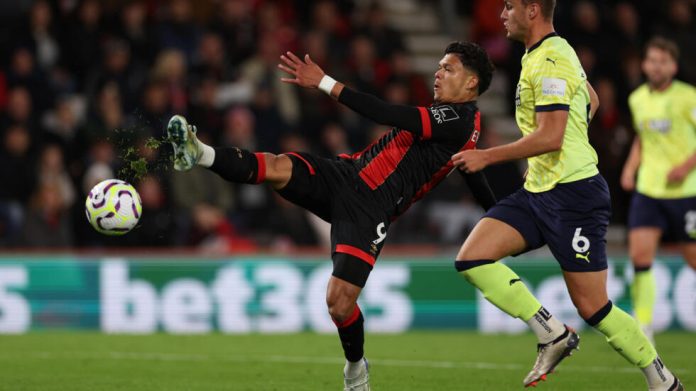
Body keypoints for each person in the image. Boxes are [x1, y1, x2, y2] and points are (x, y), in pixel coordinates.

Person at [167, 42, 496, 391]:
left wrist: (325, 82)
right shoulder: (459, 126)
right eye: (440, 66)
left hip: (370, 210)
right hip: (347, 176)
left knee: (339, 304)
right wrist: (503, 216)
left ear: (472, 83)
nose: (437, 73)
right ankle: (198, 152)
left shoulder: (459, 119)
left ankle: (355, 366)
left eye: (448, 68)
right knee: (278, 166)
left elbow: (389, 113)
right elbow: (475, 176)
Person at [451, 1, 684, 390]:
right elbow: (589, 100)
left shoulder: (551, 60)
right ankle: (552, 333)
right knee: (472, 258)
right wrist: (571, 132)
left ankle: (663, 381)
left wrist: (487, 156)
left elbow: (551, 136)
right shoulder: (542, 54)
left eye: (510, 6)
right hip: (538, 189)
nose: (502, 13)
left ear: (533, 10)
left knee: (594, 308)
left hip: (575, 195)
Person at [621, 37, 696, 342]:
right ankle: (644, 326)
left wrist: (686, 167)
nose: (656, 66)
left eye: (662, 61)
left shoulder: (689, 97)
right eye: (652, 60)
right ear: (644, 64)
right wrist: (630, 167)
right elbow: (642, 138)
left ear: (673, 66)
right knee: (640, 256)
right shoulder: (637, 98)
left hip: (685, 192)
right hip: (649, 190)